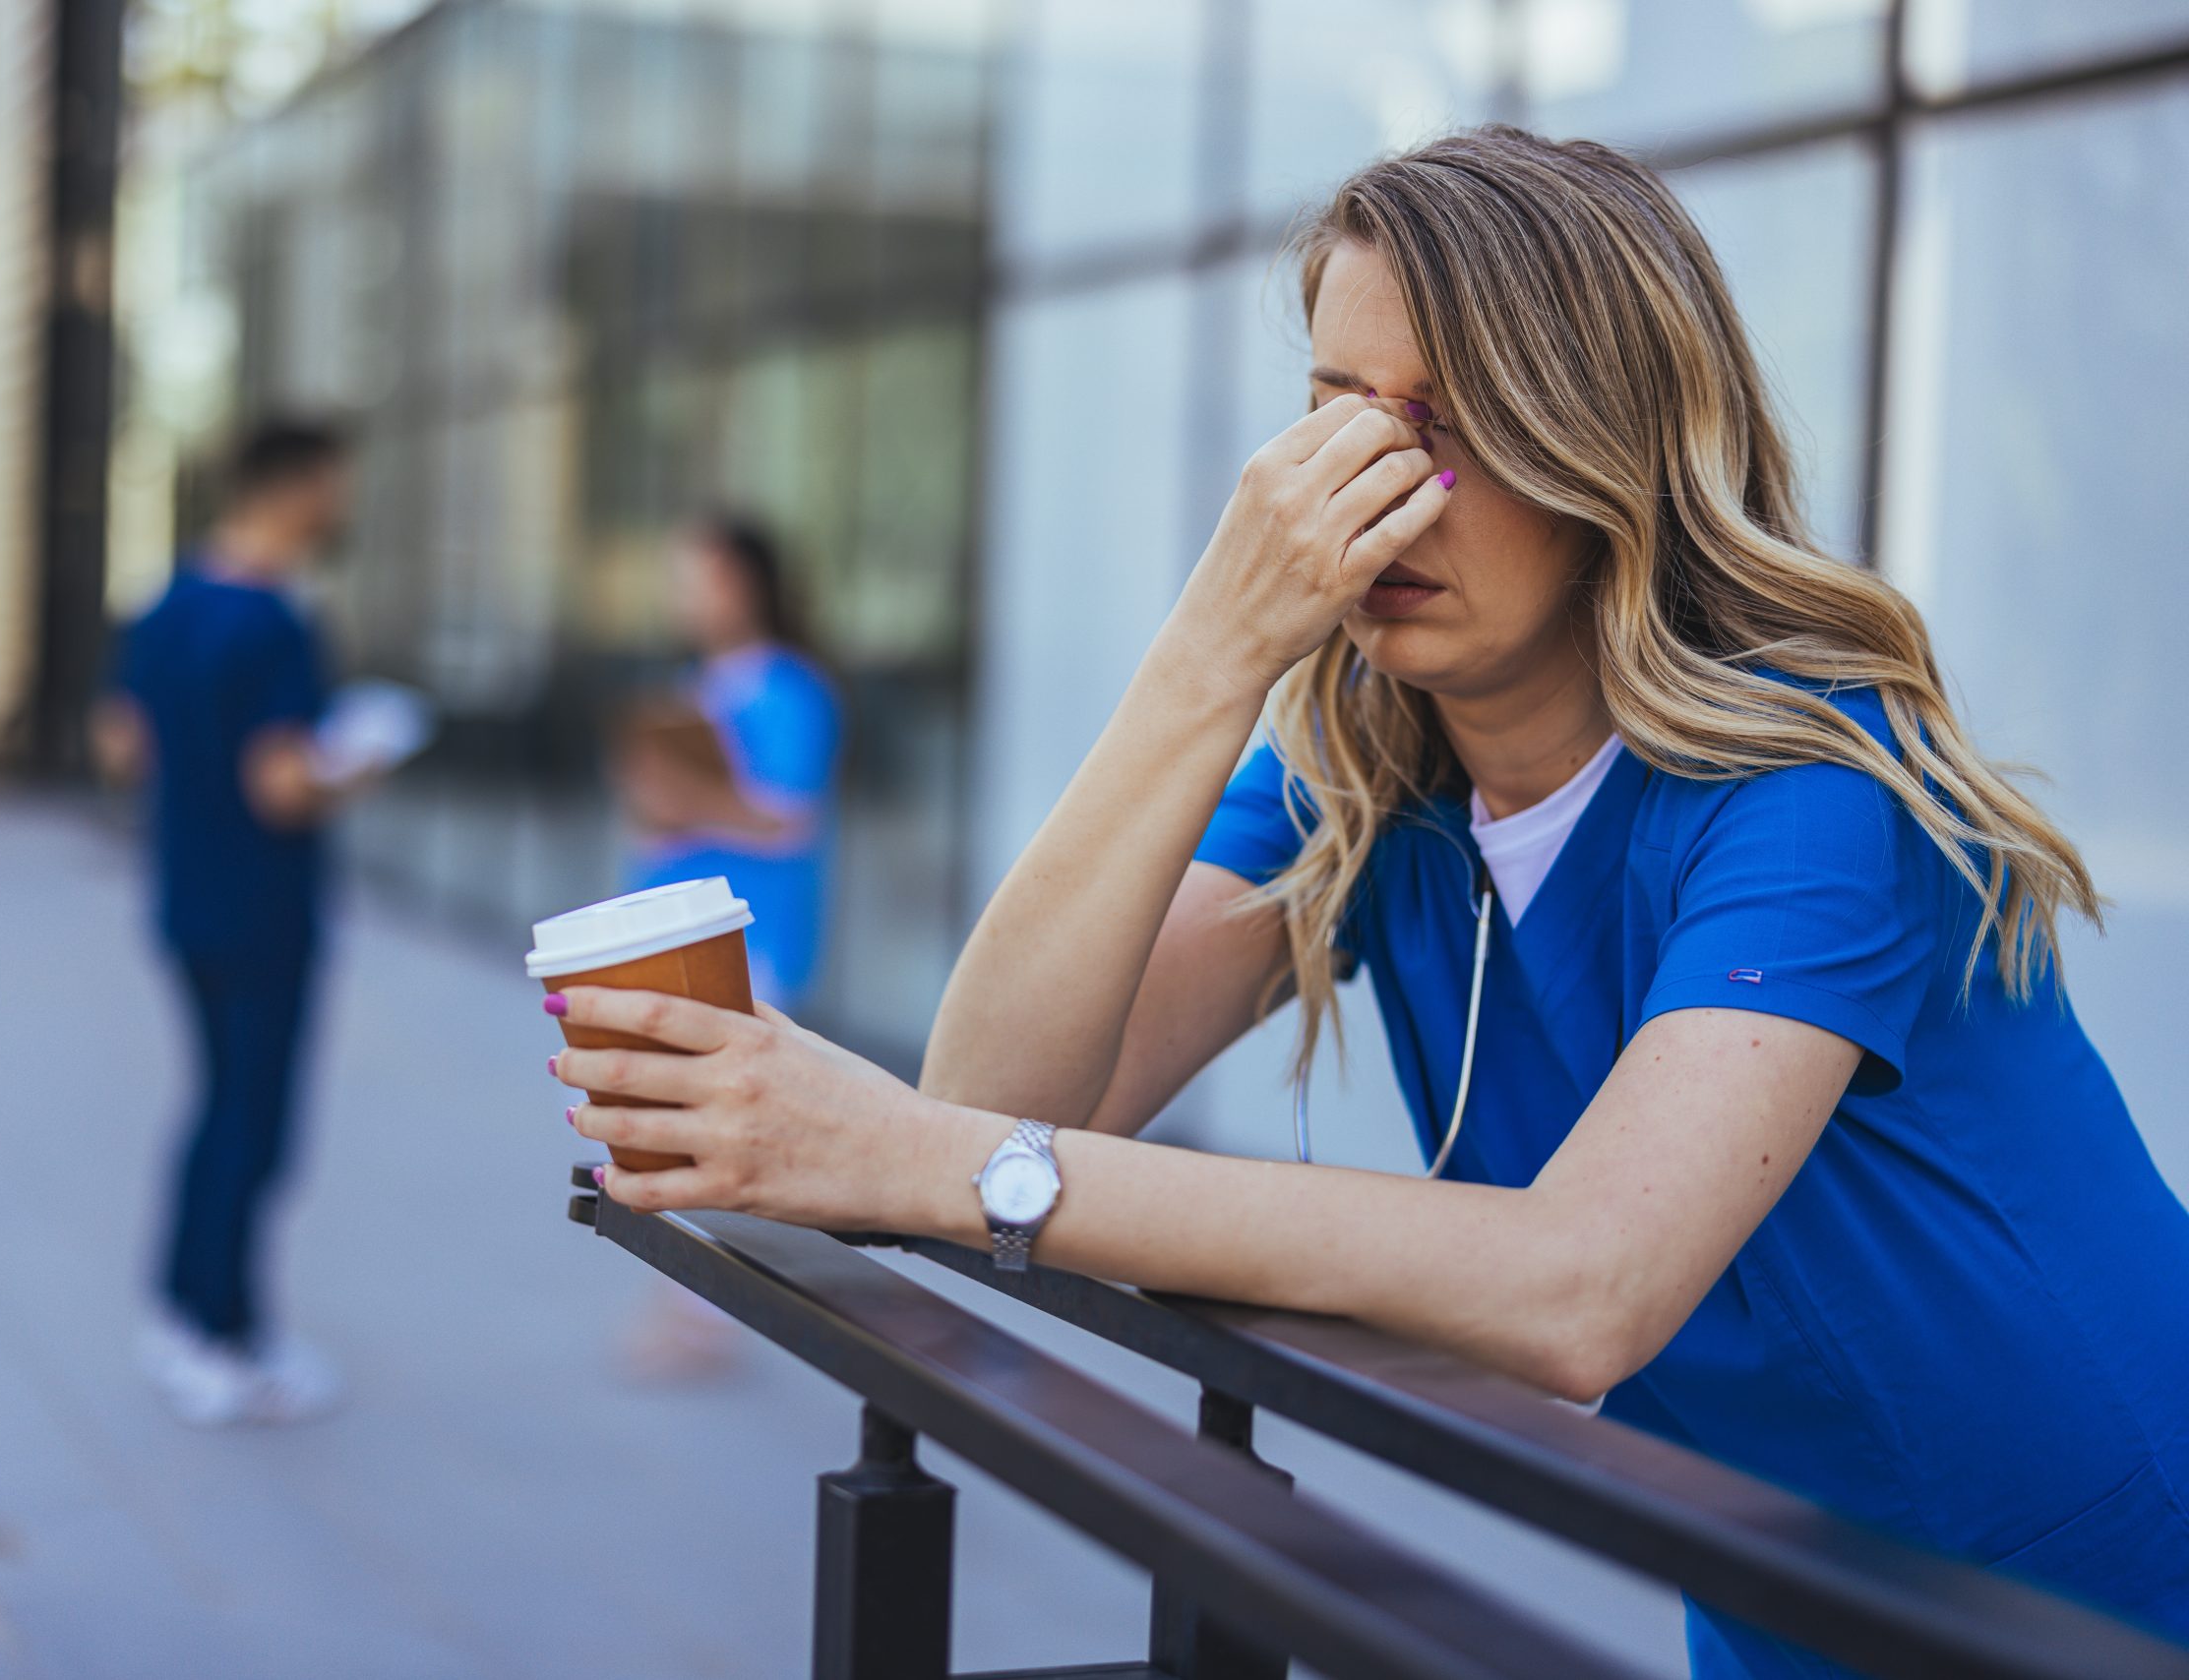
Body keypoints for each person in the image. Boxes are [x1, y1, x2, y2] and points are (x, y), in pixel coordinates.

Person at [541, 127, 2189, 1676]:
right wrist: (1211, 651)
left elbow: (1583, 1284)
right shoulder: (1364, 760)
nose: (1380, 482)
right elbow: (1005, 1101)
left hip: (2104, 1589)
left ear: (1605, 448)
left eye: (1455, 420)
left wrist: (918, 1155)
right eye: (1339, 411)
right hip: (1792, 1591)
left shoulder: (1817, 779)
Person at [94, 418, 373, 1426]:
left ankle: (201, 1319)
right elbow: (284, 788)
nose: (343, 505)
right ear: (292, 487)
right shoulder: (277, 623)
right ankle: (216, 1334)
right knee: (254, 1124)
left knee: (213, 1109)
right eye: (335, 483)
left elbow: (122, 747)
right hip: (263, 909)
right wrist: (359, 764)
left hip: (185, 896)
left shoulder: (166, 603)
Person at [607, 513, 840, 1378]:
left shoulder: (788, 689)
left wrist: (685, 797)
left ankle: (705, 1311)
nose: (682, 597)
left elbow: (785, 818)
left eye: (695, 578)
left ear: (741, 584)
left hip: (745, 936)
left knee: (703, 1128)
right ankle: (692, 1304)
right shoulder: (700, 687)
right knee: (675, 1124)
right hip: (673, 928)